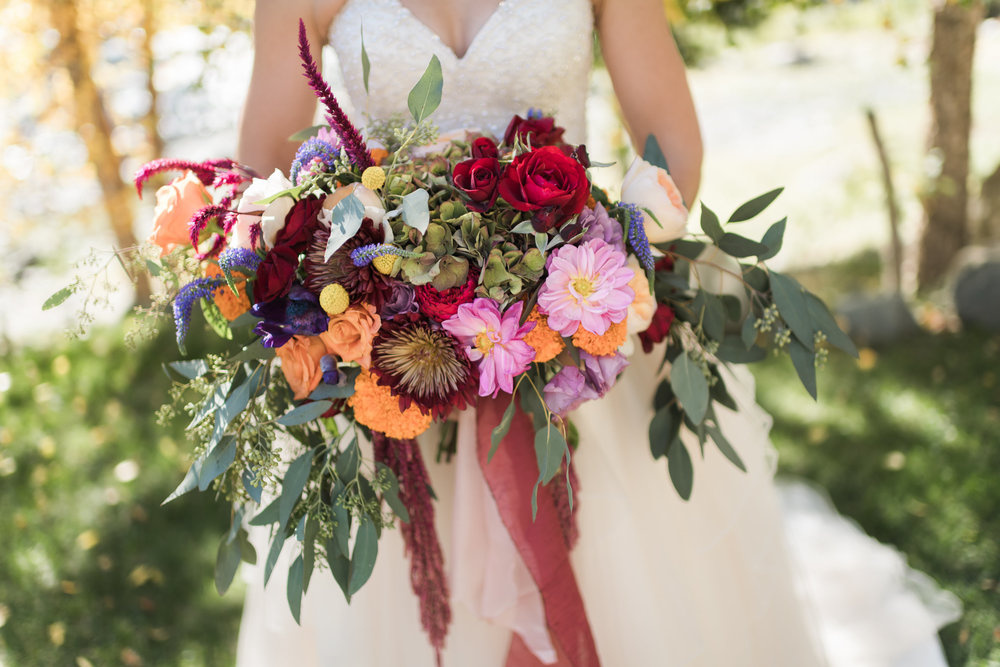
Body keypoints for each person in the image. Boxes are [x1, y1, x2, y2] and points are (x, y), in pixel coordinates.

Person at [234, 1, 960, 665]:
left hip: (584, 342)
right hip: (392, 367)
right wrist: (375, 294)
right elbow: (262, 174)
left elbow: (671, 142)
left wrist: (588, 270)